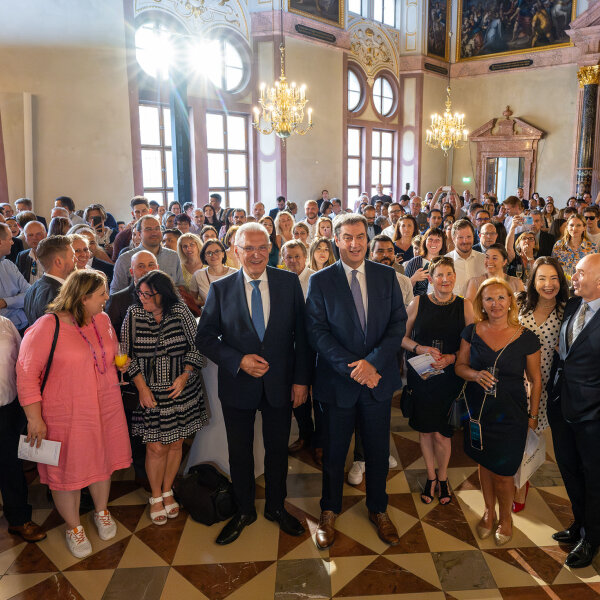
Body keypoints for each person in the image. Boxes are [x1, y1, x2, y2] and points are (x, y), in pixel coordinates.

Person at [196, 222, 311, 545]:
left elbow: (302, 337)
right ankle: (244, 510)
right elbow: (204, 337)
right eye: (249, 248)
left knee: (277, 451)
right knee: (240, 452)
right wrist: (238, 359)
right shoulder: (221, 289)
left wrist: (302, 381)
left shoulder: (288, 283)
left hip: (281, 385)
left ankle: (276, 507)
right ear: (236, 251)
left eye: (263, 248)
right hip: (238, 385)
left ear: (270, 250)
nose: (257, 254)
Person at [305, 213, 407, 550]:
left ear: (368, 238)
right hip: (338, 383)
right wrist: (354, 367)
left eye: (360, 236)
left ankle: (378, 508)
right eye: (347, 237)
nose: (355, 243)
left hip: (377, 380)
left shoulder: (385, 276)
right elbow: (317, 332)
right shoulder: (320, 281)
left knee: (377, 453)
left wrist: (372, 364)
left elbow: (397, 324)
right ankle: (329, 510)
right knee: (334, 454)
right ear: (336, 240)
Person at [17, 270, 132, 558]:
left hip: (104, 405)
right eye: (101, 294)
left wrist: (119, 365)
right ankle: (73, 526)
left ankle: (101, 511)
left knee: (102, 459)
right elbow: (26, 374)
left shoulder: (102, 320)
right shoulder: (48, 326)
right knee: (66, 469)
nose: (107, 298)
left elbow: (110, 351)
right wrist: (34, 418)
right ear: (83, 298)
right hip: (65, 412)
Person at [455, 278, 541, 546]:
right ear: (481, 302)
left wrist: (533, 416)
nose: (495, 304)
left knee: (504, 473)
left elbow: (536, 379)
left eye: (501, 298)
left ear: (510, 302)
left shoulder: (526, 337)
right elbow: (459, 366)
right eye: (489, 299)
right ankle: (488, 511)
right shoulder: (471, 331)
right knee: (484, 464)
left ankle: (506, 518)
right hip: (479, 413)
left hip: (512, 414)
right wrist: (474, 374)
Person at [122, 270, 206, 525]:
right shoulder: (134, 315)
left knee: (177, 443)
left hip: (181, 391)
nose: (143, 298)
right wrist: (142, 387)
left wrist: (185, 375)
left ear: (163, 294)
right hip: (150, 393)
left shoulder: (180, 312)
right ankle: (155, 495)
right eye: (140, 293)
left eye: (149, 294)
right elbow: (124, 355)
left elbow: (198, 346)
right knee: (156, 446)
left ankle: (168, 490)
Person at [402, 256, 474, 505]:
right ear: (431, 279)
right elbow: (402, 337)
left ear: (455, 277)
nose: (445, 280)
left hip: (449, 378)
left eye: (449, 274)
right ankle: (430, 477)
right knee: (425, 430)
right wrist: (420, 348)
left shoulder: (465, 306)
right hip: (422, 376)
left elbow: (472, 343)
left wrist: (453, 358)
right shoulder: (418, 302)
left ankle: (442, 478)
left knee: (443, 434)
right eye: (440, 275)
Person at [546, 254, 600, 567]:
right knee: (569, 469)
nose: (573, 278)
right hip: (562, 405)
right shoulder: (573, 304)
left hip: (594, 416)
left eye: (579, 273)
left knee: (594, 478)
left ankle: (592, 537)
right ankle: (580, 524)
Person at [511, 256, 568, 513]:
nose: (548, 284)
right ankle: (512, 478)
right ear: (533, 280)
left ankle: (522, 482)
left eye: (553, 278)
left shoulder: (568, 309)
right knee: (514, 431)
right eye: (542, 278)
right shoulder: (520, 302)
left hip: (544, 383)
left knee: (531, 432)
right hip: (514, 378)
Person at [0, 316, 47, 543]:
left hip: (7, 408)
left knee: (11, 465)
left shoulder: (5, 324)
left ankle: (19, 519)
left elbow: (23, 362)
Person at [110, 216, 184, 293]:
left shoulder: (173, 256)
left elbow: (180, 287)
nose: (154, 233)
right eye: (148, 229)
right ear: (139, 234)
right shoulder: (125, 259)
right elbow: (116, 293)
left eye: (157, 228)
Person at [24, 235, 76, 325]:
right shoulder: (59, 296)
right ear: (58, 262)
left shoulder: (32, 289)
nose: (76, 260)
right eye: (72, 256)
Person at [0, 223, 30, 333]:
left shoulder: (9, 264)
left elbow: (29, 293)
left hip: (23, 324)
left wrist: (6, 302)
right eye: (9, 239)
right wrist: (17, 300)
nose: (12, 242)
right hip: (3, 330)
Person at [444, 219, 486, 296]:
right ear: (453, 239)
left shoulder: (484, 260)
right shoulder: (444, 262)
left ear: (474, 237)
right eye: (460, 237)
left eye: (468, 237)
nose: (465, 241)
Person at [552, 214, 596, 281]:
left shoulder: (592, 248)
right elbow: (553, 267)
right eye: (571, 225)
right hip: (562, 285)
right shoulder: (558, 245)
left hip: (583, 286)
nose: (574, 228)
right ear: (567, 227)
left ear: (584, 227)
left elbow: (594, 271)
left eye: (578, 225)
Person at [193, 239, 237, 306]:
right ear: (204, 257)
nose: (213, 255)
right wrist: (206, 304)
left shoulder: (235, 273)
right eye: (209, 253)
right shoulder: (198, 275)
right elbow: (193, 301)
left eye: (217, 251)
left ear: (223, 254)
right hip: (210, 315)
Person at [404, 228, 446, 297]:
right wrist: (414, 279)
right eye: (430, 239)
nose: (433, 242)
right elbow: (404, 290)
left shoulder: (446, 262)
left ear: (442, 243)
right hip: (418, 304)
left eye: (437, 240)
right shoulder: (414, 262)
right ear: (425, 242)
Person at [111, 197, 151, 261]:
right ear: (133, 214)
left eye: (144, 211)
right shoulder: (122, 236)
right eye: (137, 212)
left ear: (150, 211)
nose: (141, 215)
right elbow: (116, 262)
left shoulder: (156, 233)